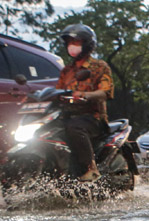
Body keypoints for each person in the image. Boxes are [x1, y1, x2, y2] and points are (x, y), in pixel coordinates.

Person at [55, 24, 114, 181]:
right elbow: (57, 92)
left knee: (75, 126)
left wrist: (85, 95)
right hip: (68, 116)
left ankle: (91, 168)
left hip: (93, 118)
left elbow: (105, 92)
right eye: (69, 42)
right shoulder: (66, 71)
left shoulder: (99, 67)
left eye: (77, 42)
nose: (72, 46)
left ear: (87, 44)